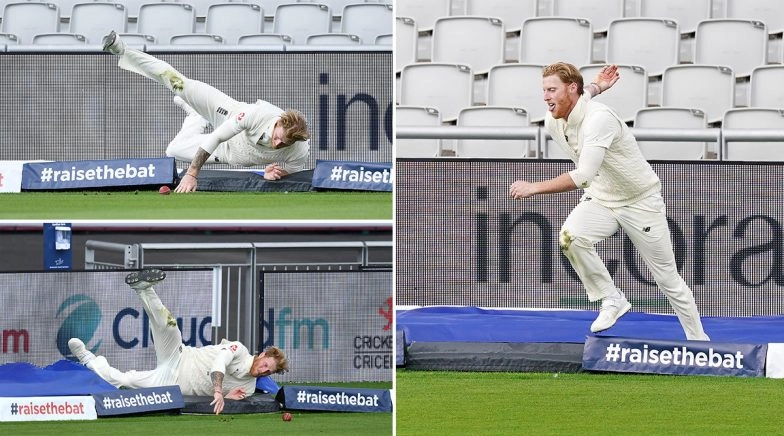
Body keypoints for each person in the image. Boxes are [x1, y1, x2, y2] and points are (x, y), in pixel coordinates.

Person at [508, 62, 710, 341]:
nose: (546, 97)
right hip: (601, 197)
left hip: (640, 200)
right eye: (544, 90)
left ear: (571, 88)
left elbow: (583, 176)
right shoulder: (553, 119)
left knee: (667, 279)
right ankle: (611, 298)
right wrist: (598, 85)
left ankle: (699, 341)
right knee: (570, 237)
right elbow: (584, 95)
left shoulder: (599, 119)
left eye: (552, 90)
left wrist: (534, 187)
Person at [100, 31, 311, 193]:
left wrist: (272, 174)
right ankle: (122, 50)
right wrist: (192, 174)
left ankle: (195, 116)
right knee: (178, 83)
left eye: (284, 144)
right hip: (226, 114)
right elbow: (217, 136)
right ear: (279, 123)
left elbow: (291, 175)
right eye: (278, 137)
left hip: (227, 153)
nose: (278, 144)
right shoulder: (256, 114)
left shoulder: (299, 150)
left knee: (173, 151)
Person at [68, 268, 289, 414]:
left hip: (171, 383)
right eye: (265, 364)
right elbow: (218, 364)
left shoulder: (248, 389)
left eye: (268, 371)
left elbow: (225, 403)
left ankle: (88, 359)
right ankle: (143, 288)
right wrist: (219, 390)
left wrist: (229, 398)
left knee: (124, 380)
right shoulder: (239, 349)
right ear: (262, 355)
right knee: (169, 325)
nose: (263, 371)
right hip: (179, 356)